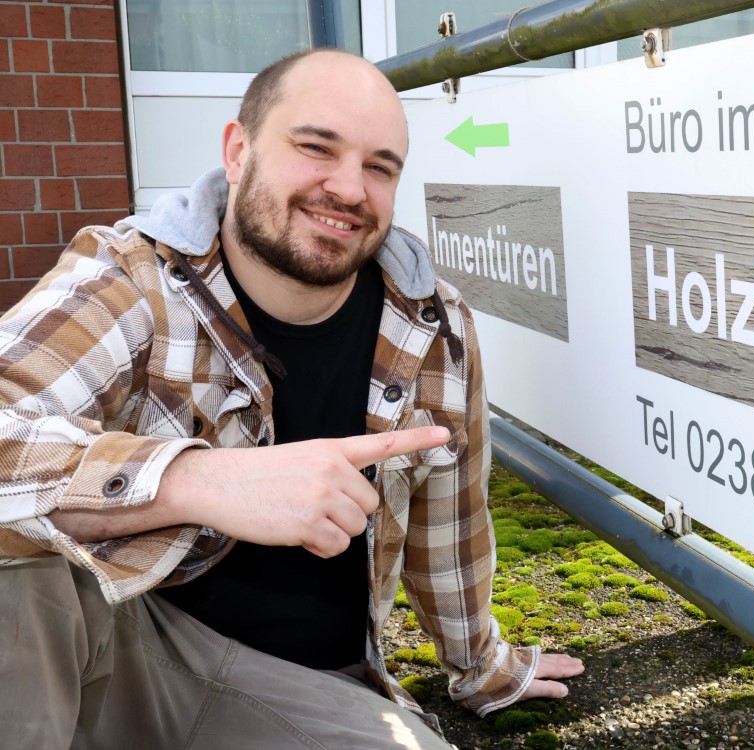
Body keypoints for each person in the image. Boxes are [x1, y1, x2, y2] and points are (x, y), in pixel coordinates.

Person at [0, 48, 583, 749]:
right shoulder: (134, 279)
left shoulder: (435, 327)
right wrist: (194, 481)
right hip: (117, 641)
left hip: (299, 690)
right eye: (315, 148)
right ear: (238, 151)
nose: (346, 188)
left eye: (379, 167)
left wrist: (483, 668)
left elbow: (449, 530)